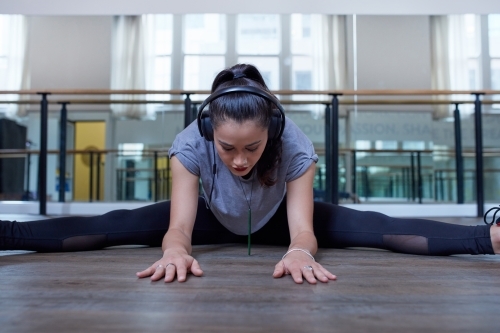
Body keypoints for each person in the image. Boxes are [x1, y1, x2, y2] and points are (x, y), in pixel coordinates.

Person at [1, 64, 500, 285]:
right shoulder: (189, 142)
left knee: (374, 225)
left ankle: (491, 237)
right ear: (208, 133)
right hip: (209, 219)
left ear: (272, 134)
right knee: (110, 224)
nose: (240, 161)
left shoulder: (294, 142)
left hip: (279, 220)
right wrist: (175, 248)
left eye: (252, 149)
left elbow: (303, 228)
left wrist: (301, 249)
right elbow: (178, 225)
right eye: (228, 149)